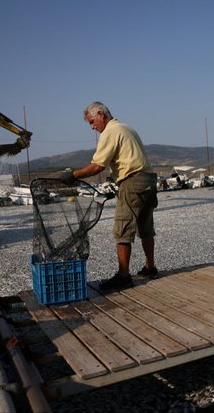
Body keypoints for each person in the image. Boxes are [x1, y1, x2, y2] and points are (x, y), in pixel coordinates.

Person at [60, 101, 158, 290]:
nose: (92, 127)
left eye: (92, 122)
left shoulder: (110, 131)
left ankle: (123, 276)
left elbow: (98, 166)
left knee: (122, 230)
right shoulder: (126, 127)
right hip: (148, 181)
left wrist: (73, 175)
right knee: (145, 227)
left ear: (101, 115)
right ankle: (150, 267)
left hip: (132, 182)